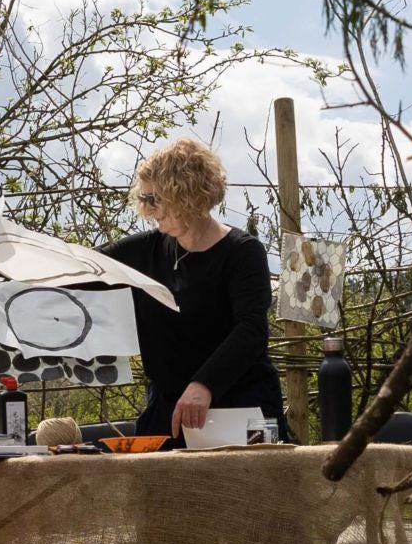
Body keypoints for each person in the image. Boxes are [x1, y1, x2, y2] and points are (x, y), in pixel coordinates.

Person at [102, 137, 286, 440]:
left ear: (185, 194)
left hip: (241, 408)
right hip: (170, 411)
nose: (146, 210)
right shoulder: (141, 252)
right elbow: (80, 269)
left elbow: (251, 330)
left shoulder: (242, 252)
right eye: (143, 199)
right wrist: (11, 259)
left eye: (153, 199)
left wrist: (204, 385)